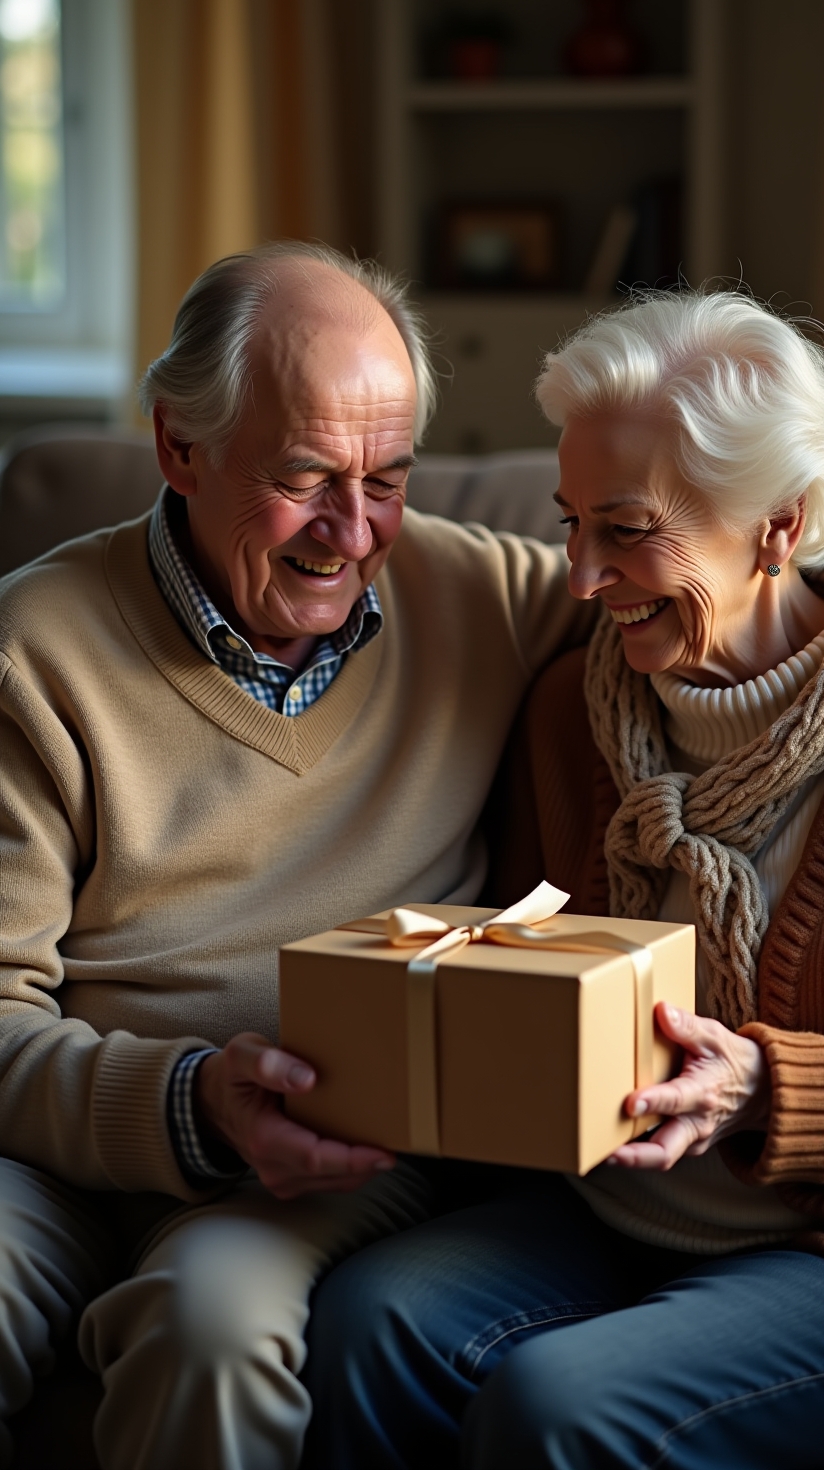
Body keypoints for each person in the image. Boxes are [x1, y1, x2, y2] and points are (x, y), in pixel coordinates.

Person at [303, 291, 824, 1470]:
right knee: (373, 1318)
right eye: (569, 523)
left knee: (563, 1403)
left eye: (626, 532)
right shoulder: (571, 712)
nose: (581, 578)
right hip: (607, 1209)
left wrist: (763, 1090)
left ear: (779, 527)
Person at [0, 242, 594, 1470]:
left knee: (208, 1329)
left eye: (387, 478)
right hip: (54, 1148)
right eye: (306, 477)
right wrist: (189, 1099)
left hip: (329, 1148)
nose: (353, 530)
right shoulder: (31, 655)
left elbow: (714, 569)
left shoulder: (472, 589)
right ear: (178, 445)